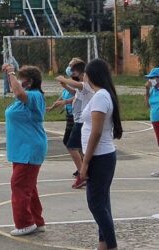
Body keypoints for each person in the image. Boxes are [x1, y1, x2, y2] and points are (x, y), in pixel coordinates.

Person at [79, 58, 122, 250]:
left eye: (85, 73)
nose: (83, 77)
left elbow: (95, 133)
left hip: (100, 157)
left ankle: (111, 246)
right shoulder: (100, 94)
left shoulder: (101, 97)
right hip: (101, 156)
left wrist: (85, 162)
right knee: (103, 203)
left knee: (96, 204)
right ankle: (103, 244)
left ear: (92, 75)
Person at [2, 64, 48, 236]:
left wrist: (11, 73)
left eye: (22, 78)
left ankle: (25, 223)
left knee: (19, 185)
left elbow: (19, 93)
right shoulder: (21, 100)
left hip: (30, 148)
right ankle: (37, 220)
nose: (18, 81)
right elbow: (18, 93)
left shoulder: (34, 96)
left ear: (30, 81)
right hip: (21, 150)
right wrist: (10, 76)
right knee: (29, 187)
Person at [56, 58, 94, 188]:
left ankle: (82, 175)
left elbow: (79, 87)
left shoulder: (86, 84)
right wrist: (65, 86)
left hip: (81, 121)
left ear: (80, 72)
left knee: (72, 146)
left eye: (74, 73)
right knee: (81, 148)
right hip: (79, 120)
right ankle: (86, 172)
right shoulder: (82, 85)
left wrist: (64, 79)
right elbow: (76, 93)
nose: (73, 75)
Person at [47, 66, 75, 153]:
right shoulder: (68, 81)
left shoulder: (77, 83)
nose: (69, 67)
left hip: (75, 115)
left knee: (70, 142)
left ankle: (82, 164)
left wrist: (66, 85)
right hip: (69, 114)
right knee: (69, 142)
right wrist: (52, 107)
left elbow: (76, 93)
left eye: (71, 65)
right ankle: (82, 163)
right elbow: (63, 95)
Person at [144, 67, 159, 177]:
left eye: (152, 78)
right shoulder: (152, 89)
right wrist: (146, 90)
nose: (150, 80)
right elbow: (148, 105)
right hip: (155, 120)